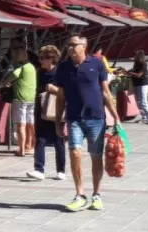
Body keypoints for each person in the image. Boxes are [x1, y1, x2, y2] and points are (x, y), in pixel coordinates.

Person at [48, 35, 115, 212]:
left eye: (74, 45)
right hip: (74, 118)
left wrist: (116, 118)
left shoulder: (97, 64)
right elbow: (61, 97)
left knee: (96, 156)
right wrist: (58, 121)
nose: (70, 48)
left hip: (96, 118)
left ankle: (97, 195)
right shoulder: (63, 68)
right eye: (68, 45)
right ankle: (80, 195)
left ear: (84, 46)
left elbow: (106, 92)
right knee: (75, 152)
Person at [28, 44, 66, 181]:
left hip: (56, 109)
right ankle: (39, 169)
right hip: (41, 109)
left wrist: (53, 89)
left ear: (51, 59)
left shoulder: (60, 72)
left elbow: (66, 92)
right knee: (40, 139)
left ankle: (61, 170)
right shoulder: (40, 73)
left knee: (58, 140)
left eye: (43, 58)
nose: (40, 61)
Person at [9, 44, 38, 159]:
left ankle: (21, 150)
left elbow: (12, 76)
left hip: (20, 99)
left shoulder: (21, 68)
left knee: (21, 125)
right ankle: (33, 146)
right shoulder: (31, 67)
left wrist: (5, 82)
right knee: (31, 124)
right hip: (32, 99)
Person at [128, 51, 148, 125]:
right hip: (136, 84)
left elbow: (139, 75)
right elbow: (133, 71)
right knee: (138, 102)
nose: (134, 57)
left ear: (139, 56)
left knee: (143, 101)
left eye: (135, 56)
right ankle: (144, 117)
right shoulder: (136, 64)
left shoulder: (143, 64)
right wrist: (127, 72)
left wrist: (130, 73)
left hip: (143, 84)